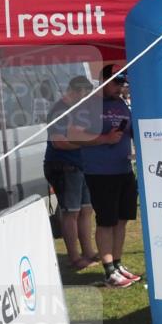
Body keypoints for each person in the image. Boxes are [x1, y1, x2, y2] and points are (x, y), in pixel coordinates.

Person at [43, 76, 120, 270]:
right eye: (84, 96)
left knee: (86, 210)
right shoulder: (59, 111)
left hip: (80, 165)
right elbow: (59, 142)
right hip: (64, 166)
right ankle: (74, 257)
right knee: (71, 213)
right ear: (74, 92)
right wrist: (93, 142)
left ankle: (88, 252)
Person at [82, 64, 141, 288]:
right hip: (99, 172)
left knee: (122, 219)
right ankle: (108, 270)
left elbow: (133, 130)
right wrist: (104, 139)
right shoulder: (88, 105)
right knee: (106, 221)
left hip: (124, 169)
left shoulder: (121, 104)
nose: (120, 87)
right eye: (116, 82)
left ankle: (117, 264)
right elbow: (76, 137)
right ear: (103, 80)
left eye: (122, 82)